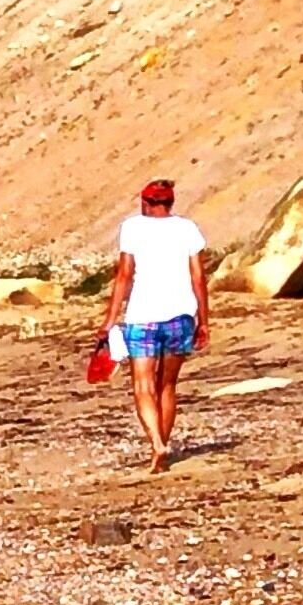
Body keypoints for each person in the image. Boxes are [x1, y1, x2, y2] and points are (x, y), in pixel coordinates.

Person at [96, 178, 207, 469]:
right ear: (171, 202)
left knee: (143, 385)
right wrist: (204, 321)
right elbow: (198, 277)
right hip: (180, 316)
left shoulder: (133, 228)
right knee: (167, 385)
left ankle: (157, 443)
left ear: (146, 202)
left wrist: (109, 321)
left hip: (142, 317)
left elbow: (124, 275)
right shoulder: (187, 228)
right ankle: (161, 452)